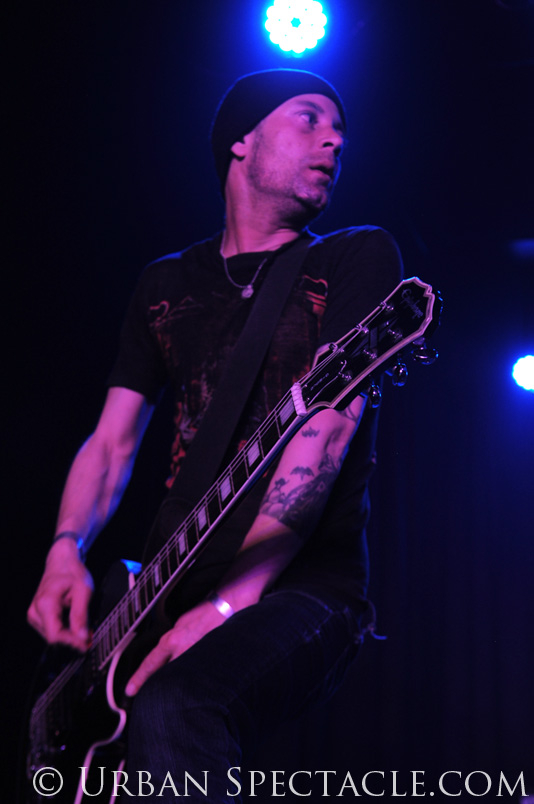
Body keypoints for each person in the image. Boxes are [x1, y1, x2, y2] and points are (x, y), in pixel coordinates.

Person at [27, 69, 403, 801]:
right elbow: (111, 443)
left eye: (341, 131)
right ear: (241, 141)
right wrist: (65, 548)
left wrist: (232, 602)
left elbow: (326, 433)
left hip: (305, 586)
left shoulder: (354, 258)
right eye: (309, 118)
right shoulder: (164, 285)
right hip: (166, 583)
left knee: (180, 704)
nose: (334, 140)